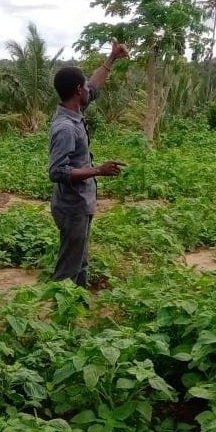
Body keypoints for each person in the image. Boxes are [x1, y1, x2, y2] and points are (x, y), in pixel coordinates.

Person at [48, 42, 129, 287]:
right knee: (69, 266)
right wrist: (98, 170)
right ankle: (60, 314)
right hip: (72, 207)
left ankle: (77, 308)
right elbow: (57, 172)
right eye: (84, 86)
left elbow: (95, 85)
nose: (88, 89)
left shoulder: (75, 108)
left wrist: (112, 58)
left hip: (81, 204)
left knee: (80, 260)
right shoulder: (65, 127)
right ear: (76, 91)